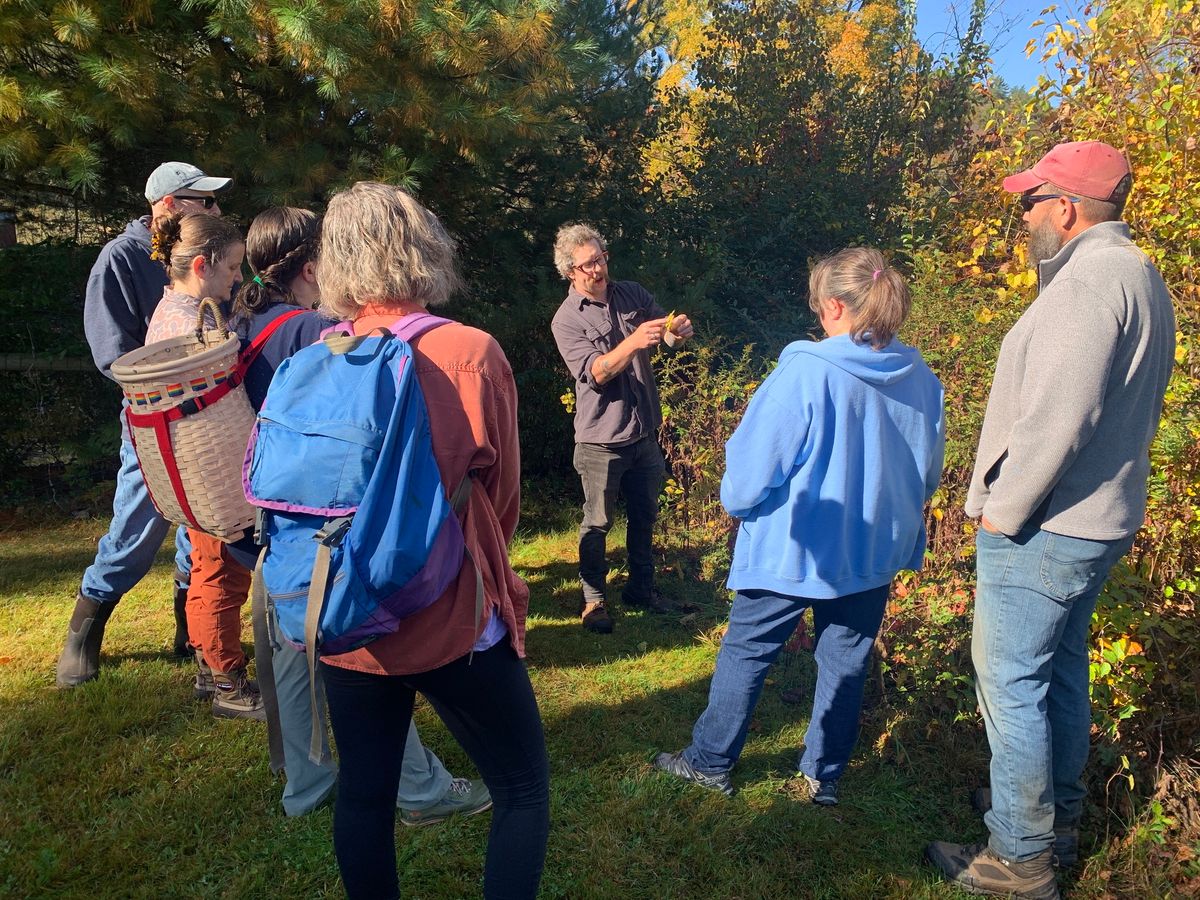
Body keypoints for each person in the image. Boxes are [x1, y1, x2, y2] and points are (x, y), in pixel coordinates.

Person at [926, 141, 1175, 900]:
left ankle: (1022, 857)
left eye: (1030, 203)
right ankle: (1051, 817)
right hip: (1095, 521)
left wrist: (1001, 512)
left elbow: (1058, 419)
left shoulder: (1087, 285)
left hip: (1047, 524)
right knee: (1058, 673)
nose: (1024, 218)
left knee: (1010, 682)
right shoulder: (1136, 273)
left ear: (1065, 207)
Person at [304, 182, 547, 898]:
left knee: (365, 796)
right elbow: (501, 502)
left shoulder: (325, 355)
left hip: (346, 609)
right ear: (423, 245)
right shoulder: (469, 352)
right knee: (522, 788)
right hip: (450, 615)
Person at [654, 248, 944, 804]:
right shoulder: (922, 379)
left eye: (818, 305)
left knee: (748, 649)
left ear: (835, 305)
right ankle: (824, 778)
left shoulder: (807, 371)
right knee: (847, 660)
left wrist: (738, 504)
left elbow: (755, 462)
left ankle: (710, 761)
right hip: (873, 549)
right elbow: (927, 472)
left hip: (795, 544)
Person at [235, 206, 491, 824]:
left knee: (299, 656)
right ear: (312, 264)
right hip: (344, 537)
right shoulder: (315, 335)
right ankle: (419, 788)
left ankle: (305, 784)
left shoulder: (251, 327)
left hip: (281, 532)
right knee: (362, 661)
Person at [56, 162, 230, 689]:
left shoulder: (202, 257)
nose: (217, 209)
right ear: (172, 205)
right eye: (207, 200)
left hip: (208, 417)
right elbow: (112, 353)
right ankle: (83, 634)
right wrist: (167, 385)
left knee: (199, 527)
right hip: (152, 424)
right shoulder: (122, 257)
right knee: (136, 528)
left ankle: (191, 632)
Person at [142, 211, 264, 720]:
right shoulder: (189, 327)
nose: (238, 276)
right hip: (208, 473)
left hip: (192, 474)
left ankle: (207, 664)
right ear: (202, 264)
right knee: (220, 574)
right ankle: (226, 683)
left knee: (209, 569)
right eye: (233, 266)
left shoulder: (173, 311)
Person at [549, 224, 695, 634]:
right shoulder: (566, 320)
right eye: (588, 263)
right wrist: (632, 342)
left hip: (643, 432)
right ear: (570, 272)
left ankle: (642, 590)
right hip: (601, 441)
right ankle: (593, 600)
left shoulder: (630, 292)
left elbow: (665, 336)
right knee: (597, 522)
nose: (598, 268)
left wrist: (674, 333)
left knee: (645, 515)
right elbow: (595, 373)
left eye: (601, 257)